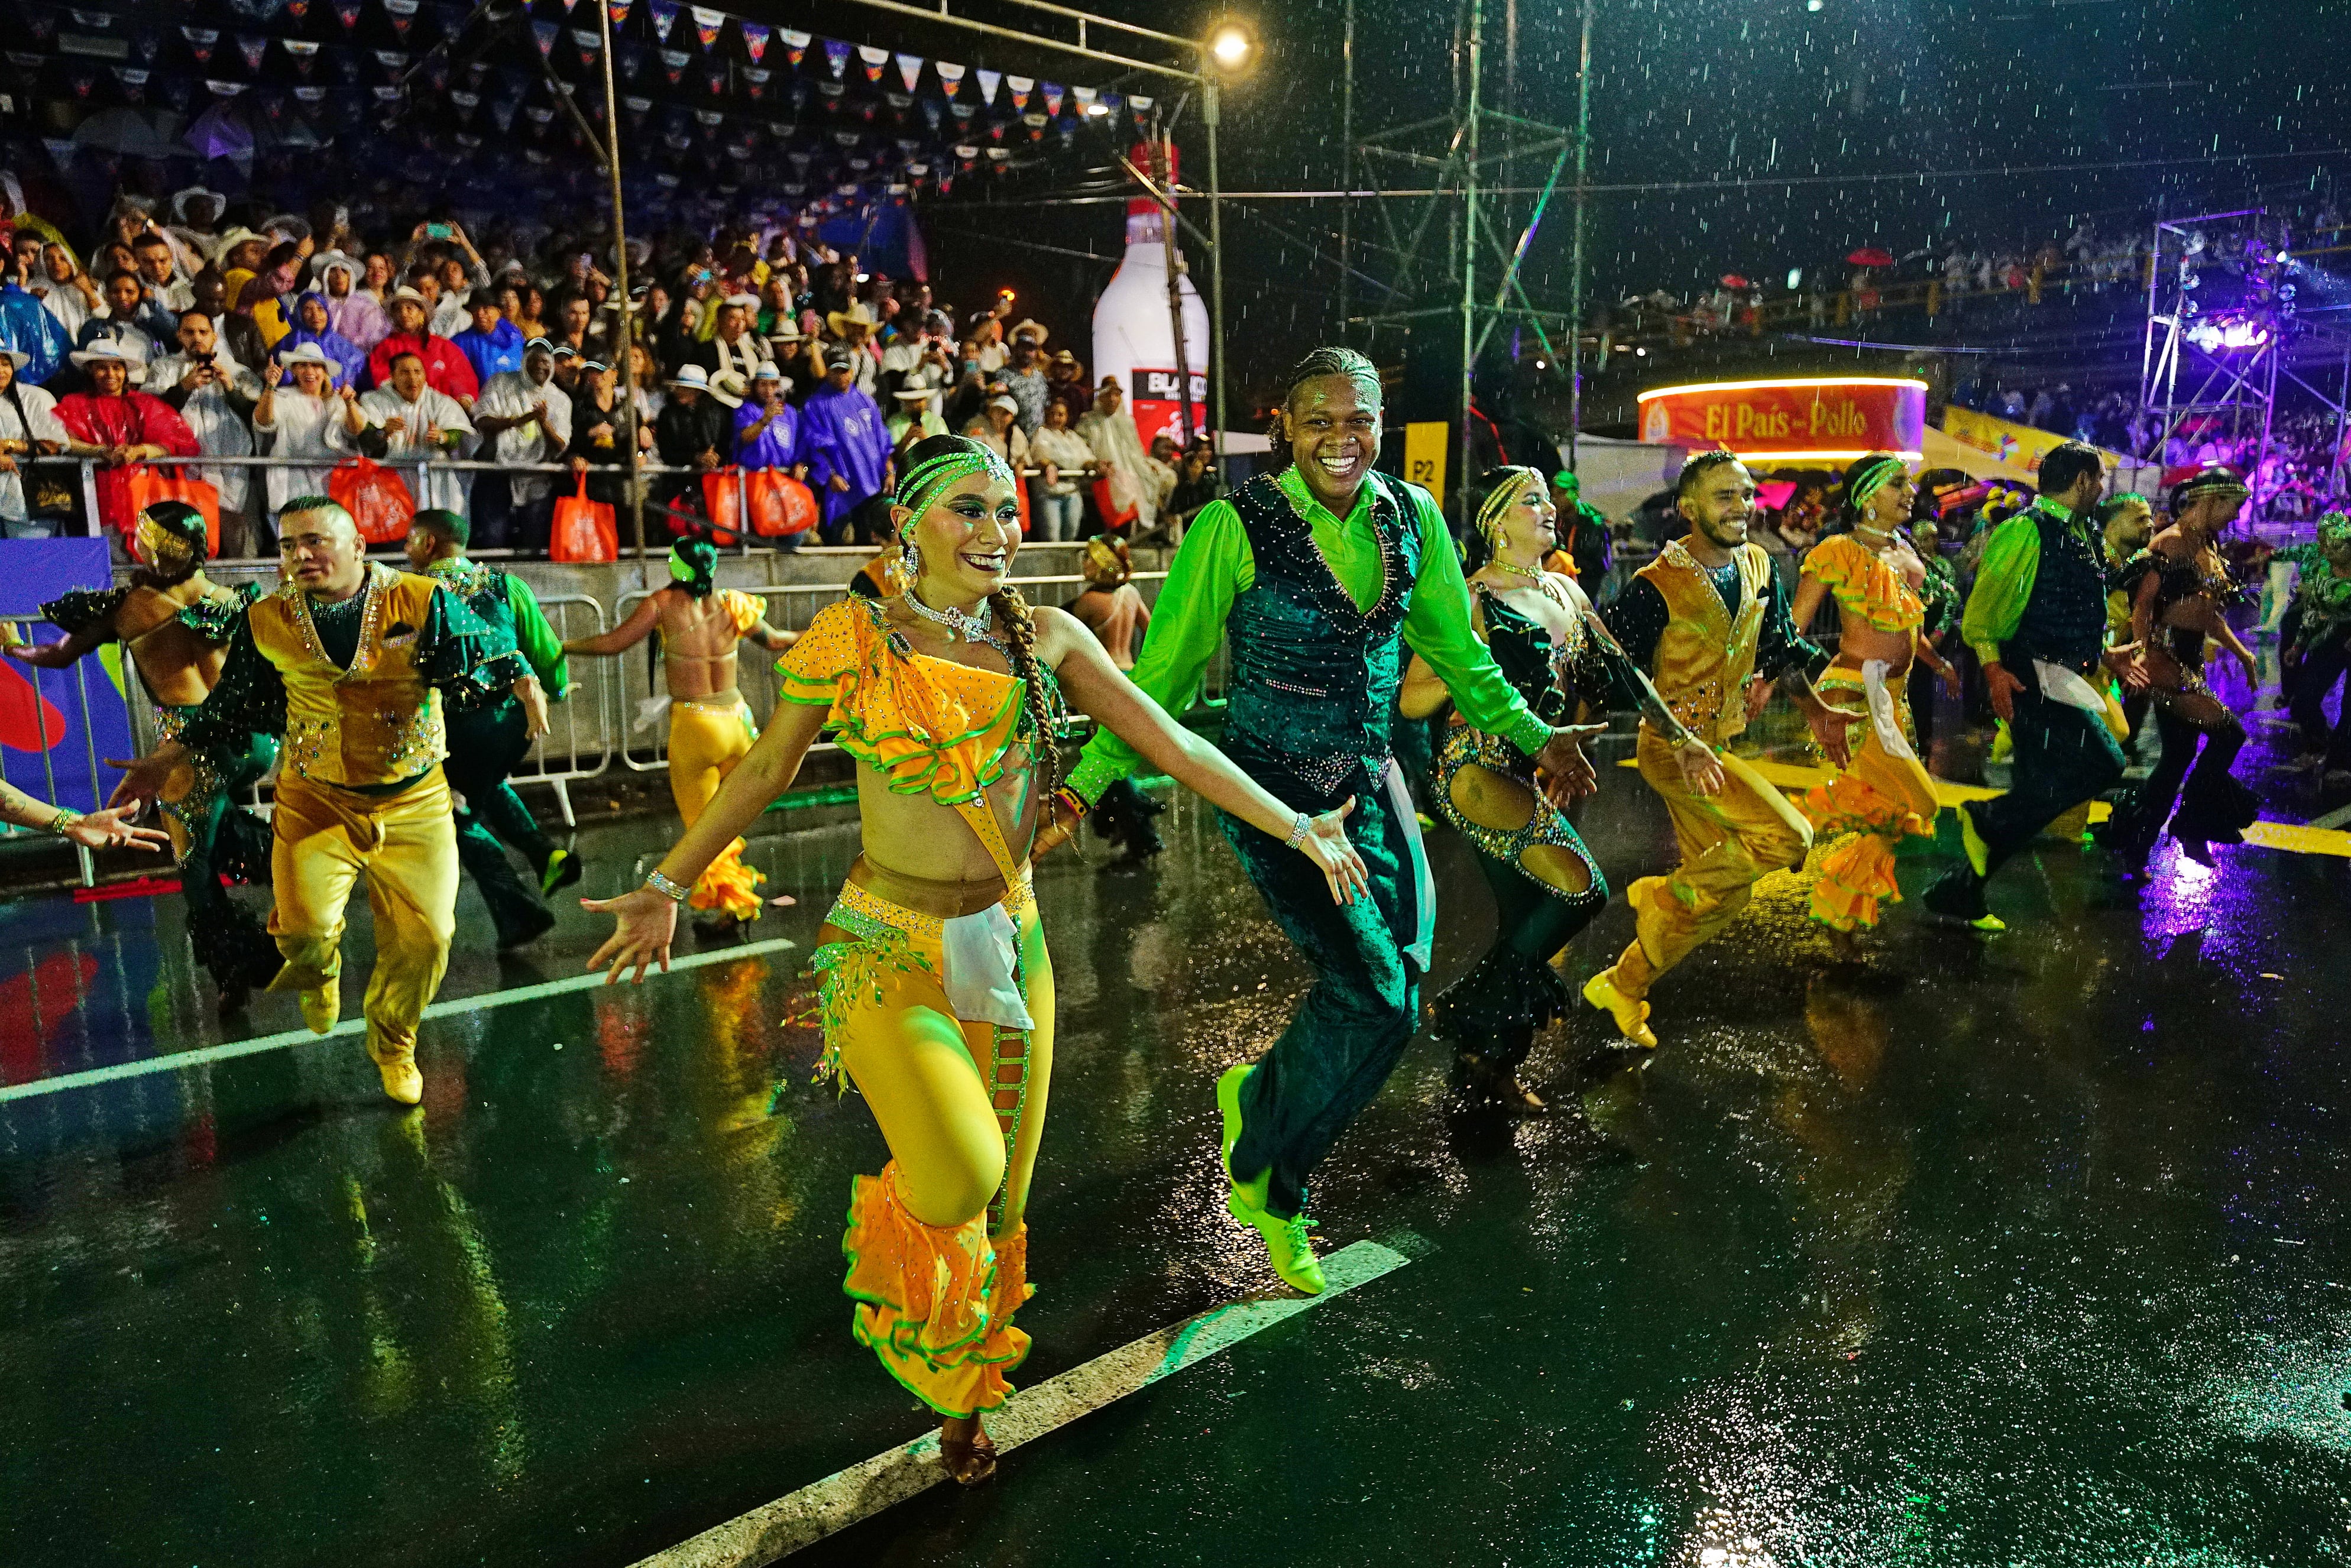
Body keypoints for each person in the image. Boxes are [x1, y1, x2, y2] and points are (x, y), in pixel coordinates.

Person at [582, 435, 1366, 1486]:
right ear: (906, 524)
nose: (997, 531)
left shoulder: (1046, 636)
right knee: (959, 1172)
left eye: (1007, 509)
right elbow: (767, 765)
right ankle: (920, 1274)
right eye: (967, 508)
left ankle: (962, 1404)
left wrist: (1299, 824)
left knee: (1003, 1211)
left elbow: (1172, 742)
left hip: (1011, 942)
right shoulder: (853, 634)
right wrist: (671, 884)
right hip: (886, 948)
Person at [1055, 348, 1603, 1292]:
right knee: (1374, 997)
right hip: (1274, 796)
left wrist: (1537, 731)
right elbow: (1164, 680)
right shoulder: (1234, 524)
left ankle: (1259, 1101)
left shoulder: (1414, 518)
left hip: (1370, 784)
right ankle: (1273, 1180)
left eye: (1359, 419)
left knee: (1397, 999)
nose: (1341, 438)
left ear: (1381, 423)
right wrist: (1088, 782)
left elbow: (1460, 655)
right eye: (1320, 419)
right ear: (1285, 426)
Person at [108, 497, 539, 1105]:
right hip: (316, 802)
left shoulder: (419, 599)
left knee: (430, 940)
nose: (300, 556)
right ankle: (321, 967)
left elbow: (486, 645)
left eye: (315, 541)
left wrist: (524, 681)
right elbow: (229, 702)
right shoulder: (265, 619)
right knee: (303, 935)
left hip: (414, 803)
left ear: (359, 547)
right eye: (287, 546)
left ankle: (394, 1041)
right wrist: (165, 759)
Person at [1395, 468, 1669, 1107]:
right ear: (1495, 521)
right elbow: (1410, 702)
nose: (1548, 509)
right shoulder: (1467, 598)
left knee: (1529, 921)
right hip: (1474, 768)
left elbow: (1621, 674)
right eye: (1530, 500)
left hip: (1523, 772)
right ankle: (1465, 1009)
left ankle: (1486, 1066)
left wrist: (1677, 737)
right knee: (1580, 891)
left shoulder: (1567, 594)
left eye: (1548, 499)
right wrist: (1469, 672)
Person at [1582, 451, 1848, 1047]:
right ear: (1687, 508)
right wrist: (1567, 746)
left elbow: (1779, 646)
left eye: (1746, 494)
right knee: (1788, 837)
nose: (1741, 508)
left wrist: (1818, 712)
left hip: (1719, 745)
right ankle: (1664, 892)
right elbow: (1612, 671)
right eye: (1724, 496)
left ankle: (1624, 985)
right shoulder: (1655, 586)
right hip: (1672, 753)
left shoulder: (1757, 564)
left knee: (1724, 898)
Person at [12, 500, 280, 1009]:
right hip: (253, 741)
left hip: (188, 747)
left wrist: (12, 647)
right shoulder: (234, 597)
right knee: (219, 826)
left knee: (193, 862)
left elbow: (57, 654)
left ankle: (238, 964)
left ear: (153, 544)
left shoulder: (128, 606)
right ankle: (294, 864)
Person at [1923, 442, 2127, 929]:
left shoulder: (2079, 532)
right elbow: (1984, 611)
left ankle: (1961, 890)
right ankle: (1986, 820)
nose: (2102, 488)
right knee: (2103, 761)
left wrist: (2104, 656)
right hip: (2028, 676)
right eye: (2098, 478)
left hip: (2056, 674)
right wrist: (1994, 670)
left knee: (2043, 786)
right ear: (2081, 479)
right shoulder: (2025, 529)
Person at [560, 537, 795, 931]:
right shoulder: (732, 603)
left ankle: (731, 906)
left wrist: (563, 645)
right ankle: (731, 895)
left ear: (678, 568)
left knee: (703, 827)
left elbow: (614, 643)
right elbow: (775, 640)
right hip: (740, 720)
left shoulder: (662, 604)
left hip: (697, 725)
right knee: (728, 819)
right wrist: (832, 635)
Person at [1785, 455, 1960, 944]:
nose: (1911, 492)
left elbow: (1911, 629)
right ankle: (1786, 839)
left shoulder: (1906, 552)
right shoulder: (1838, 550)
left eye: (1909, 484)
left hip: (1894, 697)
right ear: (1865, 497)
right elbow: (1792, 629)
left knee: (1891, 810)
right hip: (1854, 692)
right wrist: (1775, 684)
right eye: (1898, 484)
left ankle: (1840, 905)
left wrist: (1939, 664)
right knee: (1918, 800)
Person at [404, 509, 574, 945]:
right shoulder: (506, 584)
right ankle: (545, 853)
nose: (405, 551)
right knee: (484, 786)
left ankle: (518, 911)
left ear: (428, 544)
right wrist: (554, 693)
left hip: (454, 724)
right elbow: (546, 650)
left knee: (451, 813)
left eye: (409, 541)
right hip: (514, 722)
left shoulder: (414, 593)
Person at [2094, 466, 2259, 870]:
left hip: (2189, 657)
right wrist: (2143, 654)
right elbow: (2143, 607)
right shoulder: (2169, 544)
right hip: (2166, 657)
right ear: (2211, 500)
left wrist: (2245, 656)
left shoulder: (2209, 546)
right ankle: (2192, 823)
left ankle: (2135, 844)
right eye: (2233, 507)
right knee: (2229, 733)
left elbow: (2209, 616)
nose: (2236, 516)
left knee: (2177, 758)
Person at [51, 341, 200, 541]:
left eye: (116, 367)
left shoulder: (145, 403)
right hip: (95, 494)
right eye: (102, 368)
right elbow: (62, 441)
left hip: (143, 492)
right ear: (90, 371)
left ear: (125, 371)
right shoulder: (74, 404)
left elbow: (176, 443)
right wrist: (100, 451)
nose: (111, 374)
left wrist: (139, 451)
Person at [144, 309, 263, 557]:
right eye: (189, 332)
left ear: (214, 336)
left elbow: (259, 419)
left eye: (203, 332)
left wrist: (230, 388)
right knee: (188, 550)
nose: (197, 338)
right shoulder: (163, 368)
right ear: (178, 336)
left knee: (241, 552)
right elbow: (151, 416)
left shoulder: (237, 371)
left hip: (234, 473)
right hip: (183, 473)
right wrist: (184, 387)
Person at [469, 337, 572, 552]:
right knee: (492, 540)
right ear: (524, 361)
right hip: (498, 473)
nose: (539, 366)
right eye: (534, 360)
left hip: (536, 477)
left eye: (545, 361)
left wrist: (543, 421)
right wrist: (518, 421)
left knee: (533, 544)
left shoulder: (560, 399)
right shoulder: (501, 383)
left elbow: (561, 445)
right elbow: (483, 420)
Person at [253, 341, 369, 526]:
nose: (310, 372)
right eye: (303, 366)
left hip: (335, 486)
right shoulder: (283, 396)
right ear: (294, 371)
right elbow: (264, 422)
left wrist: (349, 403)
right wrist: (270, 388)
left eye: (315, 366)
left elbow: (357, 430)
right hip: (293, 484)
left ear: (324, 372)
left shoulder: (338, 400)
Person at [2278, 511, 2351, 779]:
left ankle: (2341, 762)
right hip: (2332, 633)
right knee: (2304, 699)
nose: (2326, 550)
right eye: (2325, 542)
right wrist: (2297, 646)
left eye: (2334, 545)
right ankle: (2319, 743)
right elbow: (2313, 610)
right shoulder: (2323, 567)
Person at [360, 351, 476, 515]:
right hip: (390, 479)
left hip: (434, 479)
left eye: (417, 372)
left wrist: (442, 437)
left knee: (438, 530)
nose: (413, 378)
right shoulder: (374, 401)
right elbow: (366, 440)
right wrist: (383, 432)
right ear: (392, 376)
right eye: (405, 372)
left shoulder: (440, 401)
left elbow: (457, 436)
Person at [800, 348, 893, 545]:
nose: (841, 375)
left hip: (871, 485)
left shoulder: (866, 401)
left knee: (870, 542)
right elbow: (814, 447)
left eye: (845, 370)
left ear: (851, 371)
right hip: (840, 488)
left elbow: (883, 440)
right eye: (836, 370)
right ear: (828, 371)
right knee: (836, 541)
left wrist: (889, 472)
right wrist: (831, 474)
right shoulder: (815, 405)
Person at [366, 287, 480, 406]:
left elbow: (464, 379)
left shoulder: (444, 346)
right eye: (398, 310)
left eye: (409, 308)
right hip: (400, 411)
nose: (404, 313)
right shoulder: (384, 348)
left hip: (443, 412)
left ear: (422, 313)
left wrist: (463, 400)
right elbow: (383, 382)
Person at [1075, 377, 1161, 534]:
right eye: (1108, 395)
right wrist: (1094, 463)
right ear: (1101, 397)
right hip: (1103, 478)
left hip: (1129, 474)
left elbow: (1136, 449)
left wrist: (1145, 465)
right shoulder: (1089, 421)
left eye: (1116, 395)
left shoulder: (1127, 422)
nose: (1113, 399)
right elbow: (1081, 447)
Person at [0, 344, 69, 538]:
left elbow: (55, 444)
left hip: (26, 504)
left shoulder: (35, 398)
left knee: (31, 565)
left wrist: (9, 445)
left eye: (5, 364)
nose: (1, 370)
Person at [1026, 397, 1094, 543]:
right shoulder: (1042, 434)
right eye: (1053, 414)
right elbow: (1039, 456)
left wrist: (1096, 465)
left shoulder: (1073, 437)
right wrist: (1049, 465)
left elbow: (1086, 458)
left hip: (1072, 491)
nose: (1056, 418)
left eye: (1061, 414)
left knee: (1071, 536)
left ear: (1067, 417)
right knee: (1052, 537)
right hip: (1049, 493)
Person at [277, 291, 366, 390]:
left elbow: (358, 365)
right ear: (300, 314)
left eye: (320, 309)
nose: (315, 314)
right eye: (308, 309)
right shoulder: (290, 342)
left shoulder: (339, 342)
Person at [1549, 470, 1615, 592]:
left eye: (1562, 493)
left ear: (1576, 493)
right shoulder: (1555, 519)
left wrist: (1575, 567)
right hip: (1562, 585)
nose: (1557, 499)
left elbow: (1602, 564)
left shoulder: (1593, 523)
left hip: (1586, 589)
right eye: (1554, 494)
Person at [733, 362, 799, 474]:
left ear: (779, 387)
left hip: (785, 478)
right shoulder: (745, 409)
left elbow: (802, 446)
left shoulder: (791, 412)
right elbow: (745, 437)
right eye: (763, 384)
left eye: (773, 385)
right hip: (753, 477)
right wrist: (764, 420)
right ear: (755, 386)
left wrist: (802, 466)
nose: (769, 390)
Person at [449, 290, 524, 390]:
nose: (480, 314)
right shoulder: (460, 343)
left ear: (498, 312)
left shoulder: (515, 337)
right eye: (475, 309)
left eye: (486, 308)